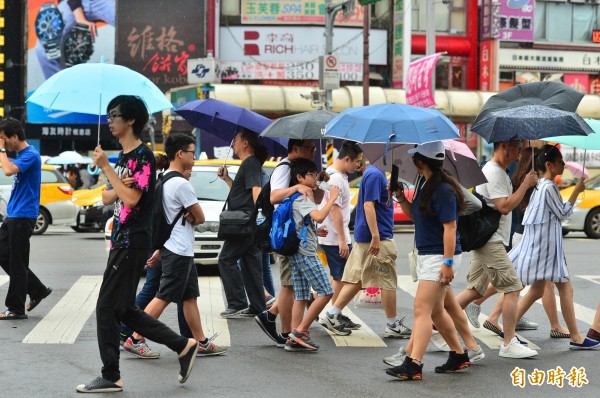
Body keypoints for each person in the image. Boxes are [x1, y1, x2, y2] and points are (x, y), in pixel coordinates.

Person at [76, 95, 198, 393]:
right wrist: (115, 177)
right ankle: (183, 345)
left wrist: (108, 170)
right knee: (124, 308)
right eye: (108, 115)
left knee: (106, 308)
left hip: (132, 241)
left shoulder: (142, 155)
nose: (109, 121)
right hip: (121, 239)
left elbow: (131, 198)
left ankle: (111, 375)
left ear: (130, 120)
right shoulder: (123, 157)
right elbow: (107, 197)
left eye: (114, 115)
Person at [125, 133, 226, 358]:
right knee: (163, 296)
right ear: (180, 154)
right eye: (192, 152)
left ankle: (200, 341)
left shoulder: (164, 179)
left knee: (189, 296)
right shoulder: (181, 183)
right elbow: (200, 217)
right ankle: (135, 338)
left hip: (175, 246)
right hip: (178, 248)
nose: (194, 156)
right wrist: (192, 215)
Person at [385, 141, 471, 380]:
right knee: (435, 311)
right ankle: (458, 354)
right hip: (429, 254)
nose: (412, 161)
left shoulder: (443, 189)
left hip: (439, 256)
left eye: (415, 157)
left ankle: (414, 364)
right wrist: (401, 197)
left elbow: (450, 227)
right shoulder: (426, 184)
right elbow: (417, 217)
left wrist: (448, 263)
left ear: (420, 161)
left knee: (421, 309)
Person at [509, 144, 599, 350]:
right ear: (549, 165)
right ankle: (576, 336)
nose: (564, 164)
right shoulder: (548, 187)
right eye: (560, 162)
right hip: (548, 251)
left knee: (537, 289)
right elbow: (563, 213)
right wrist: (576, 192)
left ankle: (509, 329)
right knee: (565, 289)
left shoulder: (542, 185)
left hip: (544, 248)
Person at [455, 140, 538, 359]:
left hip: (488, 238)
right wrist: (525, 185)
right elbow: (504, 206)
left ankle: (437, 324)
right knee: (512, 287)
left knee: (475, 290)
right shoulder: (494, 172)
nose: (520, 150)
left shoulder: (499, 171)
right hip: (490, 239)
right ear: (504, 146)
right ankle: (509, 343)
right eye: (516, 146)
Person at [320, 164, 412, 338]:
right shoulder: (375, 175)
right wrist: (376, 236)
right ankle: (392, 323)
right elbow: (368, 205)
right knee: (387, 281)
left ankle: (332, 314)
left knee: (358, 278)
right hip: (378, 237)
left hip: (369, 235)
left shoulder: (376, 174)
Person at [254, 139, 323, 347]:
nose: (313, 152)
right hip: (286, 234)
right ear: (295, 149)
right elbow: (275, 197)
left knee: (292, 285)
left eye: (313, 148)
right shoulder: (284, 168)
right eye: (309, 148)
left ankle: (272, 317)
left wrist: (317, 183)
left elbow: (314, 200)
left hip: (297, 233)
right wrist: (297, 186)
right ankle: (285, 332)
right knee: (289, 285)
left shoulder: (299, 169)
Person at [285, 158, 340, 351]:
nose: (315, 178)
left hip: (297, 251)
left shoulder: (295, 197)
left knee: (301, 295)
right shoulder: (302, 197)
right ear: (299, 177)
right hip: (306, 253)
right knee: (326, 292)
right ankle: (301, 331)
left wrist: (315, 232)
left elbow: (299, 223)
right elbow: (318, 215)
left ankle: (294, 336)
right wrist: (332, 198)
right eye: (311, 175)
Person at [0, 118, 52, 320]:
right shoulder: (22, 155)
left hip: (23, 216)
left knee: (17, 262)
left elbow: (8, 170)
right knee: (4, 253)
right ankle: (37, 289)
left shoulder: (31, 154)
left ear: (15, 137)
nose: (3, 143)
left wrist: (1, 151)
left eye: (4, 139)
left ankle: (16, 308)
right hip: (13, 214)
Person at [216, 129, 267, 318]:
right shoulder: (247, 163)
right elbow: (241, 193)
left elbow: (256, 190)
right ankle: (257, 305)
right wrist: (227, 179)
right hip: (246, 221)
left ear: (245, 143)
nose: (233, 143)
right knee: (250, 263)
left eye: (235, 140)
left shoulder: (251, 162)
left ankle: (237, 303)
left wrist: (259, 213)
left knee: (225, 259)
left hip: (244, 223)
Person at [317, 141, 363, 330]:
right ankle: (331, 315)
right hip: (335, 238)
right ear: (346, 159)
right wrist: (343, 240)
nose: (358, 166)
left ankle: (333, 313)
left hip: (335, 236)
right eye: (357, 162)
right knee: (340, 278)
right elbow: (335, 211)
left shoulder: (337, 175)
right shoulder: (335, 179)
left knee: (340, 277)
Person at [35, 0, 115, 79]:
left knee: (127, 25)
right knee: (43, 49)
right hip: (72, 3)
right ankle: (60, 89)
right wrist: (79, 15)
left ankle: (127, 85)